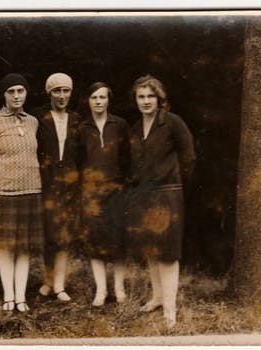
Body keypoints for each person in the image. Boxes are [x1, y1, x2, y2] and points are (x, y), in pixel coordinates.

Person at [127, 75, 195, 328]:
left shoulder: (172, 123)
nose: (146, 101)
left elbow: (189, 157)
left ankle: (170, 309)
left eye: (150, 96)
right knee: (150, 249)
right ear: (135, 100)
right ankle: (157, 297)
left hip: (168, 193)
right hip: (143, 195)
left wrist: (175, 184)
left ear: (159, 98)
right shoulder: (135, 129)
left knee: (167, 253)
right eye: (141, 96)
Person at [0, 73, 44, 313]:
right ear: (4, 96)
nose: (16, 96)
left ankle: (21, 297)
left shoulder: (33, 122)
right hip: (3, 192)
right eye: (11, 92)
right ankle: (8, 295)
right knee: (5, 248)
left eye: (20, 91)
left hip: (31, 191)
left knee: (24, 248)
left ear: (26, 93)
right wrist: (3, 162)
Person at [32, 73, 82, 302]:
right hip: (46, 180)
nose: (62, 96)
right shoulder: (39, 118)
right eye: (57, 91)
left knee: (64, 234)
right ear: (49, 93)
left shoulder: (77, 119)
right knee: (48, 233)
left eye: (66, 91)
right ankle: (48, 280)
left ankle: (59, 285)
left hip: (70, 183)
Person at [79, 82, 130, 306]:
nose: (98, 102)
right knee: (94, 242)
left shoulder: (120, 125)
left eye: (102, 97)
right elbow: (78, 161)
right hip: (91, 194)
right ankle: (101, 291)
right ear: (88, 101)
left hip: (117, 192)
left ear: (109, 100)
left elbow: (128, 158)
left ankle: (119, 289)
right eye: (94, 97)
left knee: (118, 242)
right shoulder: (82, 129)